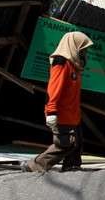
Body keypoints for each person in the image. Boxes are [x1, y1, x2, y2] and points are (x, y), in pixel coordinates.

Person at [24, 31, 93, 173]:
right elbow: (53, 89)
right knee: (65, 144)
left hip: (73, 115)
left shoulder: (74, 66)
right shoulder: (61, 63)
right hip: (61, 114)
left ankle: (72, 166)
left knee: (77, 143)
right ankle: (35, 165)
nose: (84, 52)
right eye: (82, 49)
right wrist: (51, 111)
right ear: (74, 46)